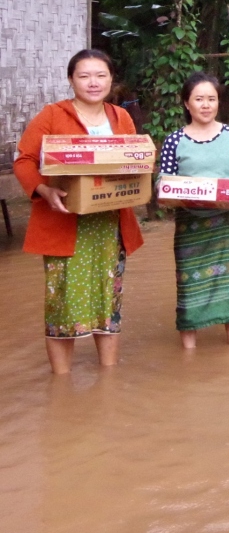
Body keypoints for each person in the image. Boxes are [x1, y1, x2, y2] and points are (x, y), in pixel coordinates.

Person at [14, 49, 146, 374]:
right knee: (62, 305)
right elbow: (24, 159)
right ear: (71, 79)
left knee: (108, 302)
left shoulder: (121, 117)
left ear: (111, 79)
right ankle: (61, 382)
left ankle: (109, 377)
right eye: (84, 76)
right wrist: (43, 189)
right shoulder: (52, 115)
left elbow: (135, 159)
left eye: (100, 75)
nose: (93, 82)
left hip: (109, 225)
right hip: (63, 223)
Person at [159, 72, 229, 348]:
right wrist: (174, 193)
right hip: (189, 224)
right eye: (199, 99)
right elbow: (164, 181)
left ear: (218, 103)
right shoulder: (174, 141)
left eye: (211, 99)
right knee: (188, 286)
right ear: (186, 103)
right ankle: (189, 349)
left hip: (226, 223)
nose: (206, 105)